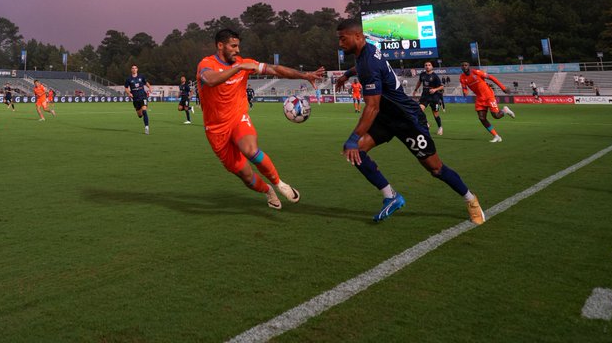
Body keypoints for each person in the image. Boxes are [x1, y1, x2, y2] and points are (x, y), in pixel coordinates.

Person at [334, 20, 485, 224]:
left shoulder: (369, 61)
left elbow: (372, 107)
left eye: (343, 39)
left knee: (435, 169)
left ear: (358, 36)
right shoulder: (365, 52)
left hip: (408, 120)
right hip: (387, 119)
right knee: (356, 152)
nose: (340, 44)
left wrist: (353, 137)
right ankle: (391, 197)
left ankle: (471, 199)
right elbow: (359, 67)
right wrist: (346, 74)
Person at [196, 29, 315, 210]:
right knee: (245, 175)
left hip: (238, 118)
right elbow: (211, 80)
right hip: (215, 130)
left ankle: (280, 183)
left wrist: (304, 76)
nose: (237, 50)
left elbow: (275, 69)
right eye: (233, 46)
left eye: (238, 46)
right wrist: (238, 68)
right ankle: (268, 191)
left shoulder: (246, 63)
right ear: (220, 46)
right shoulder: (207, 63)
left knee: (250, 150)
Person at [458, 62, 515, 142]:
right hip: (479, 98)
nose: (464, 67)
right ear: (461, 67)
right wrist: (465, 92)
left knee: (496, 116)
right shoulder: (462, 77)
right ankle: (496, 136)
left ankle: (505, 110)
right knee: (481, 118)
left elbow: (491, 77)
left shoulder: (476, 72)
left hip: (488, 96)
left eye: (466, 65)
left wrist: (503, 88)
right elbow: (464, 87)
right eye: (462, 65)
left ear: (469, 66)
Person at [413, 61, 445, 135]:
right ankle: (426, 123)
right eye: (426, 65)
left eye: (429, 65)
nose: (427, 66)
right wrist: (415, 90)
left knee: (435, 114)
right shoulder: (422, 75)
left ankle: (440, 127)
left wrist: (435, 89)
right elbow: (419, 82)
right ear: (424, 67)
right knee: (419, 110)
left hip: (434, 97)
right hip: (425, 96)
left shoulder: (435, 76)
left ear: (432, 67)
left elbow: (442, 86)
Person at [125, 65, 153, 134]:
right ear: (131, 70)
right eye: (133, 68)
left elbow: (146, 83)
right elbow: (126, 88)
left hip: (143, 96)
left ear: (137, 69)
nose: (134, 69)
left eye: (135, 68)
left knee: (144, 111)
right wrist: (129, 93)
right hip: (135, 99)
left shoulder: (141, 76)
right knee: (140, 115)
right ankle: (142, 115)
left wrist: (149, 87)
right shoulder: (128, 79)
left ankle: (146, 127)